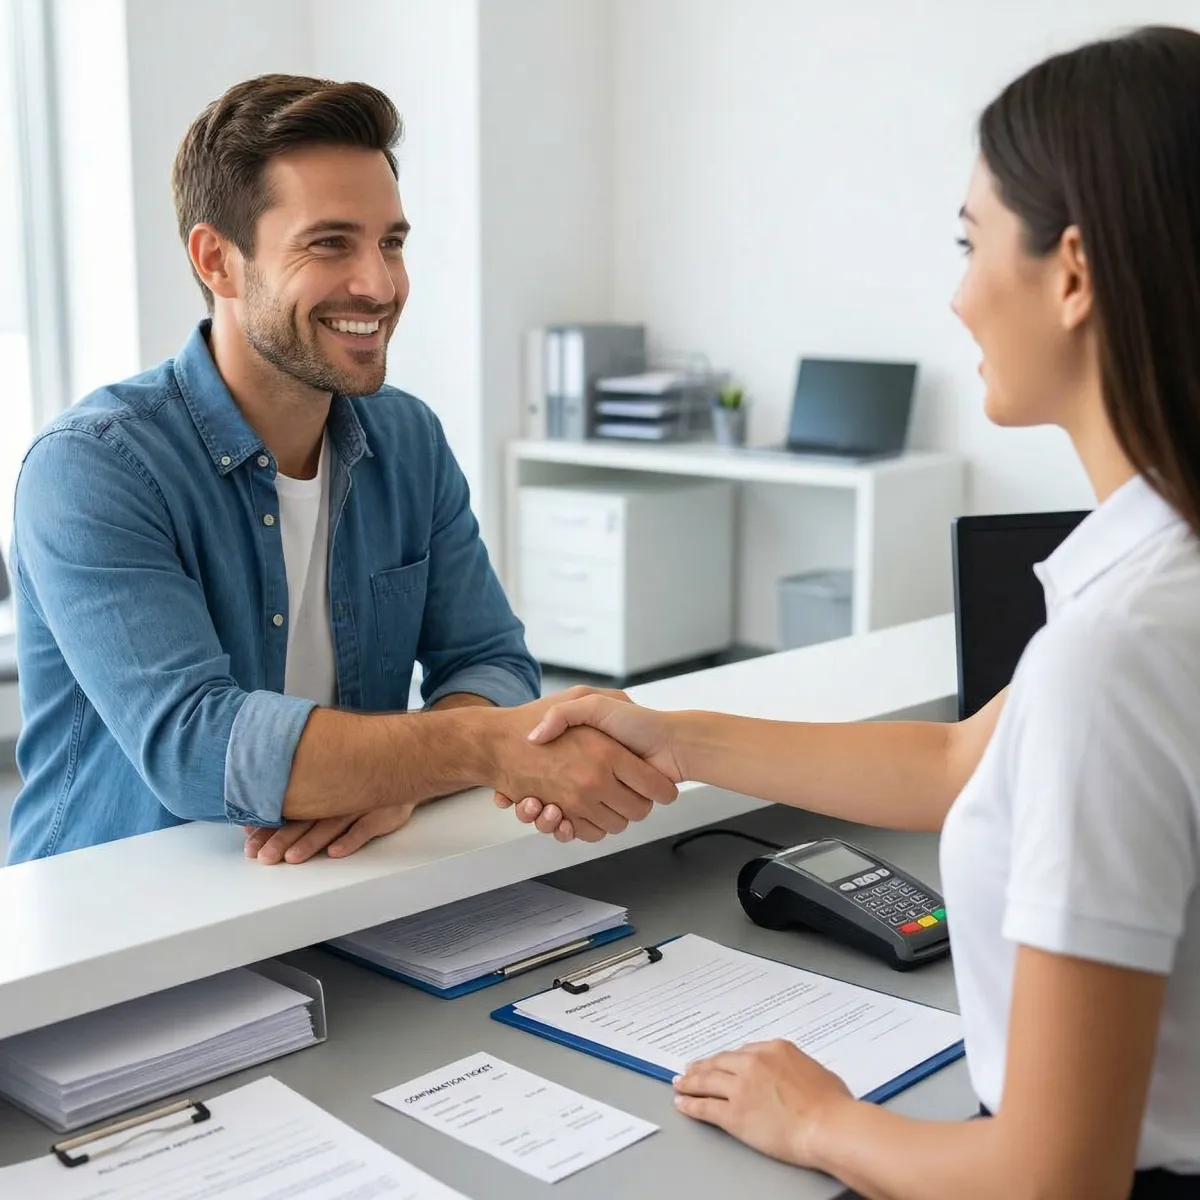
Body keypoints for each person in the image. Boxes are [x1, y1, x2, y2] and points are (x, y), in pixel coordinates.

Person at [501, 26, 1200, 1199]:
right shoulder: (1157, 583)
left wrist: (817, 1121)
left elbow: (1054, 1176)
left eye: (972, 243)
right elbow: (957, 760)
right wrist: (671, 735)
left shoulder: (1121, 642)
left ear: (1073, 274)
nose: (958, 293)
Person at [7, 74, 674, 866]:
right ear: (217, 259)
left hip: (336, 892)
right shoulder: (93, 467)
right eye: (331, 244)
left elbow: (492, 661)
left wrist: (398, 779)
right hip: (118, 921)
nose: (381, 285)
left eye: (391, 242)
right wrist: (479, 748)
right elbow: (198, 747)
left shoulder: (409, 438)